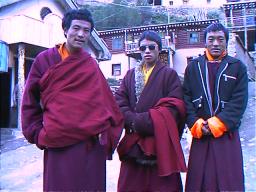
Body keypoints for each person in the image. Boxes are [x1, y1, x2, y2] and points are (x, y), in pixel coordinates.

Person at [21, 8, 123, 192]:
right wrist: (36, 133)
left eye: (86, 30)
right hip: (56, 140)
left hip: (88, 144)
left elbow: (109, 104)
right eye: (76, 28)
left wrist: (107, 135)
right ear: (65, 30)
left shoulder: (90, 64)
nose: (81, 34)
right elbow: (30, 100)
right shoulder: (45, 60)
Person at [115, 30, 187, 192]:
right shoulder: (130, 75)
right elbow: (119, 102)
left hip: (159, 141)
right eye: (143, 48)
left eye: (151, 47)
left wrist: (139, 122)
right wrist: (132, 120)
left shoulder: (169, 75)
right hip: (134, 141)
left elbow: (174, 107)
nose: (147, 51)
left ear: (159, 49)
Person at [183, 23, 248, 191]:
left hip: (227, 135)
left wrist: (216, 124)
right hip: (200, 134)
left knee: (228, 183)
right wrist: (196, 124)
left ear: (226, 41)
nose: (215, 44)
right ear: (205, 42)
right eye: (211, 39)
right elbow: (186, 99)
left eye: (220, 39)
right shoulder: (193, 67)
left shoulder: (237, 67)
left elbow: (239, 102)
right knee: (201, 183)